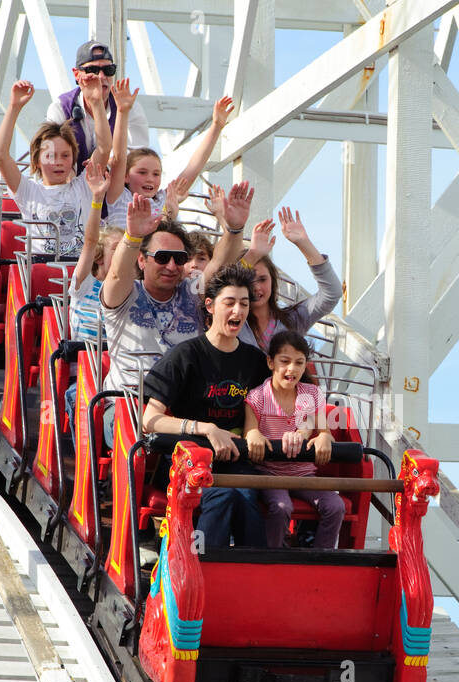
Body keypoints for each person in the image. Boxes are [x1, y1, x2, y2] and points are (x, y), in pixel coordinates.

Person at [140, 264, 270, 548]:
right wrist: (206, 429)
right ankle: (201, 566)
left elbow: (261, 410)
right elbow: (149, 420)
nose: (237, 311)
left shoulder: (256, 361)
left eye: (244, 304)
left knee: (247, 494)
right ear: (210, 306)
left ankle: (254, 572)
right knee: (222, 494)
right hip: (187, 459)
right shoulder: (185, 355)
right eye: (230, 303)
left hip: (237, 461)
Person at [98, 181, 253, 409]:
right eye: (162, 257)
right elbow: (116, 277)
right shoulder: (126, 293)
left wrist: (235, 229)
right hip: (130, 407)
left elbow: (221, 263)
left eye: (179, 258)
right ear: (141, 260)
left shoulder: (190, 292)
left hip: (184, 407)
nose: (171, 266)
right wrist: (132, 237)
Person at [0, 78, 127, 258]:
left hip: (78, 272)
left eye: (65, 156)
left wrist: (96, 104)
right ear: (37, 160)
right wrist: (14, 107)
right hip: (41, 271)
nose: (58, 162)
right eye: (50, 156)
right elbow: (1, 155)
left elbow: (104, 148)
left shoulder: (84, 186)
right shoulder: (28, 191)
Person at [244, 331, 344, 548]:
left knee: (335, 506)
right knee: (281, 507)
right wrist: (255, 436)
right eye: (285, 361)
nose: (292, 369)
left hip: (303, 473)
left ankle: (319, 557)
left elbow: (323, 430)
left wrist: (325, 437)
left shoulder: (312, 394)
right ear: (270, 362)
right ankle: (272, 555)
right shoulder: (258, 397)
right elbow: (250, 432)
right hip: (270, 473)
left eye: (299, 363)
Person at [105, 96, 233, 230]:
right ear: (125, 176)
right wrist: (122, 112)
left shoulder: (163, 200)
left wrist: (216, 126)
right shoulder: (118, 197)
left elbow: (194, 167)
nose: (150, 179)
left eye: (156, 174)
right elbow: (119, 157)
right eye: (142, 172)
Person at [63, 157, 122, 432]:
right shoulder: (85, 284)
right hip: (87, 372)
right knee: (80, 400)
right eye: (117, 249)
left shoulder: (132, 291)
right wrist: (97, 199)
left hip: (119, 374)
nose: (124, 255)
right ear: (100, 256)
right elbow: (88, 241)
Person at [238, 207, 341, 352]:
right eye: (248, 280)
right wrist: (252, 254)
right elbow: (219, 289)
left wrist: (304, 244)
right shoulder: (231, 322)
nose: (256, 287)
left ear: (273, 281)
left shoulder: (292, 320)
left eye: (262, 279)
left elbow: (332, 293)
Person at [46, 40, 149, 169]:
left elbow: (138, 156)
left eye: (108, 70)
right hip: (70, 184)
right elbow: (52, 156)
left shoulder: (130, 107)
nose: (101, 76)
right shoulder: (61, 108)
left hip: (114, 185)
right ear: (76, 74)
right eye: (92, 70)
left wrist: (103, 164)